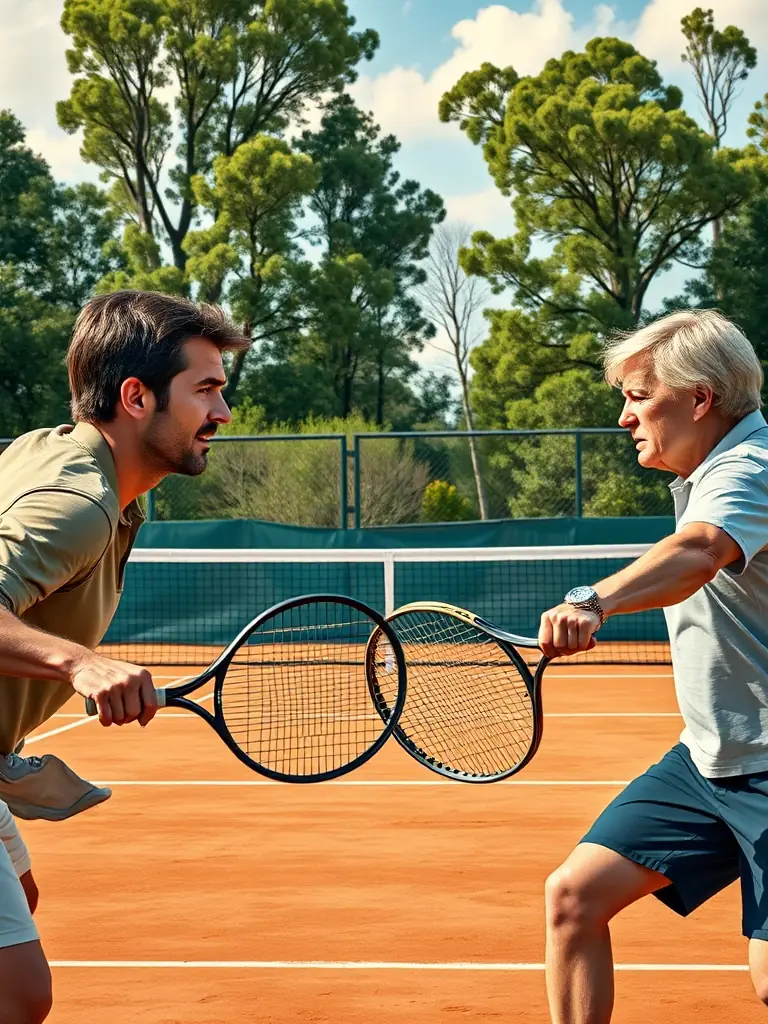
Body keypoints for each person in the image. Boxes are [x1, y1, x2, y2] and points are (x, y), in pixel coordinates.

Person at [0, 290, 249, 1023]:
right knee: (17, 995)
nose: (224, 413)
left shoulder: (53, 453)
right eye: (205, 389)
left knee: (22, 899)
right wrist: (79, 663)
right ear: (136, 397)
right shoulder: (77, 502)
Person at [537, 308, 768, 1023]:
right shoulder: (710, 474)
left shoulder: (752, 467)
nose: (624, 416)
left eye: (638, 395)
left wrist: (593, 600)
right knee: (575, 897)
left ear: (700, 398)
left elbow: (699, 552)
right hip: (708, 762)